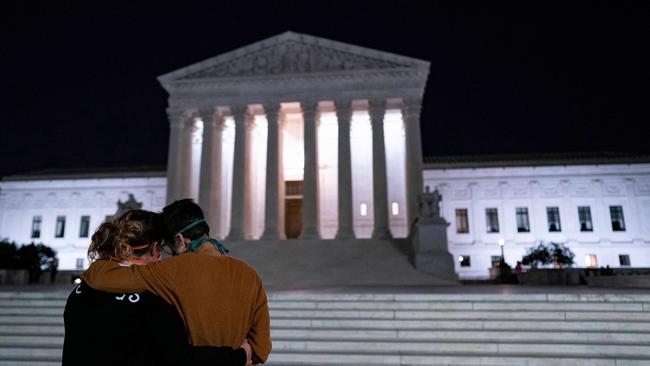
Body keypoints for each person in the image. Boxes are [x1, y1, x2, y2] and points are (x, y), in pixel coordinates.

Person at [83, 200, 272, 364]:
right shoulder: (250, 275)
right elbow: (261, 348)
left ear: (180, 240)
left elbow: (100, 278)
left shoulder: (171, 270)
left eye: (167, 246)